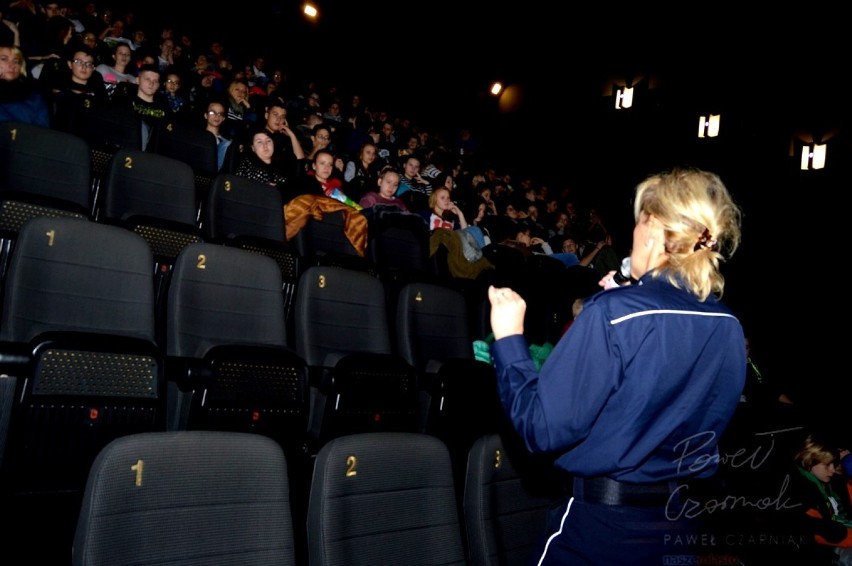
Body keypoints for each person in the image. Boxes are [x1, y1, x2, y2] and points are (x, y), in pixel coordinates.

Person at [487, 167, 745, 564]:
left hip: (602, 530)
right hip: (677, 526)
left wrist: (508, 341)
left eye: (639, 222)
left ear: (655, 230)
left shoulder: (616, 314)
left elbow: (542, 427)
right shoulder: (729, 324)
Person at [789, 434, 852, 566]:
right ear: (809, 461)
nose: (832, 470)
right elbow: (817, 533)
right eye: (827, 465)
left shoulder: (829, 483)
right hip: (833, 549)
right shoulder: (801, 490)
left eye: (833, 464)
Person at [0, 43, 49, 126]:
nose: (12, 65)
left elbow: (43, 130)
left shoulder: (33, 96)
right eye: (4, 59)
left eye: (16, 61)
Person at [203, 99, 230, 172]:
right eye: (212, 112)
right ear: (206, 115)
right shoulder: (197, 136)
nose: (216, 116)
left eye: (220, 114)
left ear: (223, 118)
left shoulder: (227, 144)